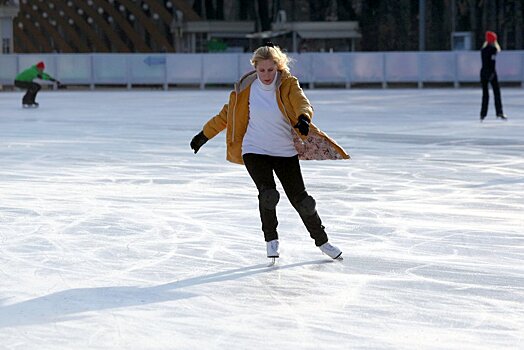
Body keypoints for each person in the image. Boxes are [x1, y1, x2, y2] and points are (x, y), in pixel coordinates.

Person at [190, 43, 349, 262]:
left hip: (284, 151)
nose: (266, 75)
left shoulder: (288, 84)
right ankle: (271, 240)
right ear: (255, 68)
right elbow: (225, 116)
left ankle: (323, 242)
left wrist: (303, 117)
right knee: (268, 195)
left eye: (270, 70)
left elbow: (301, 101)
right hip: (254, 149)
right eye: (261, 70)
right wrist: (203, 135)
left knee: (303, 201)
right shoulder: (244, 90)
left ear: (278, 67)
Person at [480, 31, 506, 122]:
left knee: (485, 94)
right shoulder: (493, 49)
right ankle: (499, 112)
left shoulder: (483, 50)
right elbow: (492, 63)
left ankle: (483, 114)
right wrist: (492, 74)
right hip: (491, 73)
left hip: (483, 73)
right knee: (497, 93)